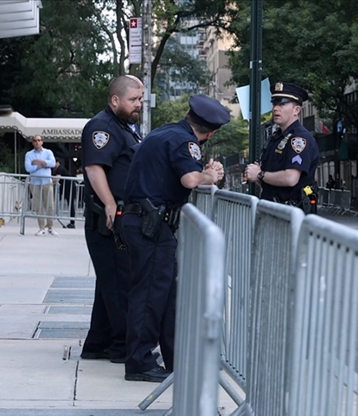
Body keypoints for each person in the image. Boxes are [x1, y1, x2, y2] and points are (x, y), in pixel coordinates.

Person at [120, 94, 230, 382]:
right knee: (151, 294)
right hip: (151, 224)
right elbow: (190, 179)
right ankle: (139, 362)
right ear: (211, 132)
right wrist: (209, 175)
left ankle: (173, 357)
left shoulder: (165, 132)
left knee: (166, 294)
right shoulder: (185, 142)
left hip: (148, 222)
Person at [79, 75, 144, 363]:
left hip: (115, 216)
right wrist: (108, 203)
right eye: (133, 100)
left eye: (140, 99)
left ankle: (98, 343)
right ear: (115, 100)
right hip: (107, 219)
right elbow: (95, 168)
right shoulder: (102, 127)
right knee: (120, 284)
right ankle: (123, 348)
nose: (138, 105)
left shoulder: (124, 127)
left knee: (111, 283)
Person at [244, 82, 319, 214]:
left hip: (291, 216)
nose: (275, 109)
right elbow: (273, 182)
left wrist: (260, 174)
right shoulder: (276, 138)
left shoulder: (299, 139)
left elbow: (291, 178)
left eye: (282, 104)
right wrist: (258, 177)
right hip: (274, 211)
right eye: (274, 104)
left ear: (296, 110)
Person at [24, 136, 58, 236]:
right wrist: (42, 165)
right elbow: (28, 168)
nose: (37, 142)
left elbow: (52, 163)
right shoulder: (29, 154)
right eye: (35, 141)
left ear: (42, 142)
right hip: (35, 183)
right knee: (38, 206)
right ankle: (41, 228)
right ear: (32, 143)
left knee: (50, 205)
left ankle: (51, 227)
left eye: (39, 140)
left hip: (47, 181)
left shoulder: (48, 152)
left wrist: (40, 162)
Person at [52, 158, 76, 228]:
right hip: (68, 188)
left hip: (70, 188)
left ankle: (72, 223)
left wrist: (49, 180)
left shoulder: (59, 169)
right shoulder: (58, 169)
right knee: (70, 204)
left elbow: (57, 179)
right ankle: (72, 222)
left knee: (71, 205)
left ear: (58, 163)